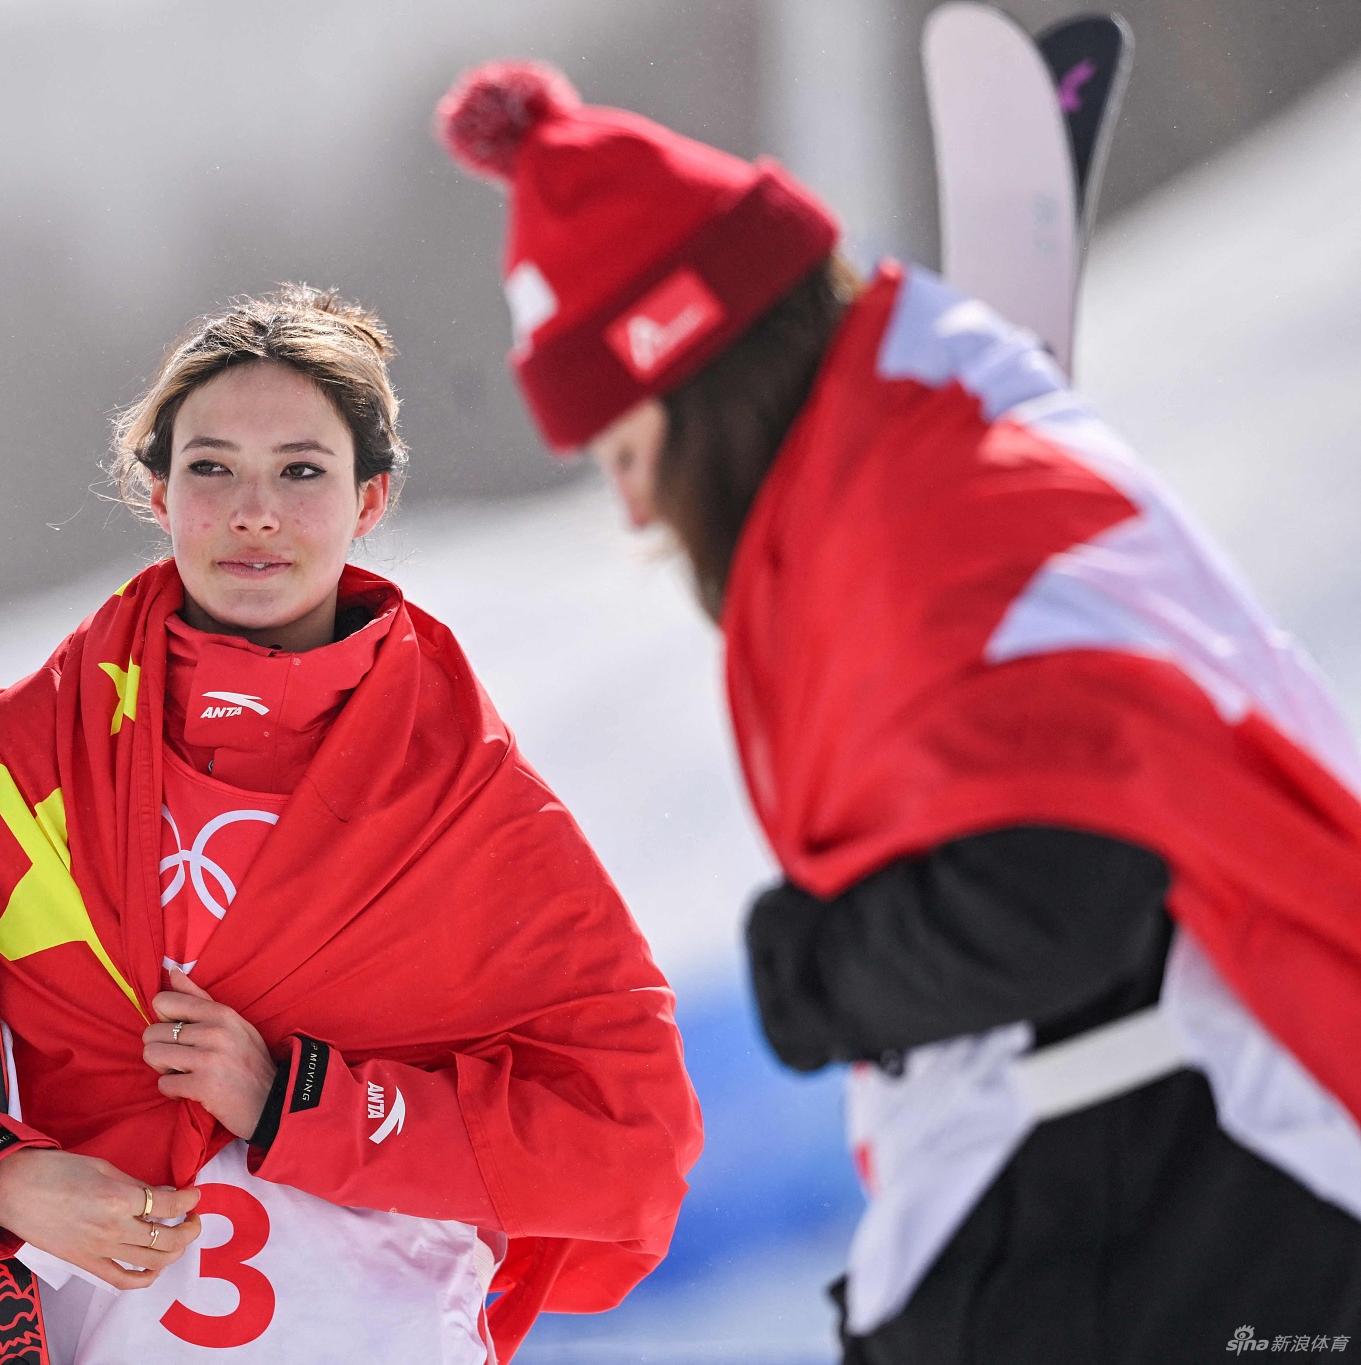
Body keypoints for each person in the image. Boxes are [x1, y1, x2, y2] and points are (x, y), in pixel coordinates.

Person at [434, 59, 1361, 1363]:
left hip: (1202, 1199)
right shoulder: (925, 454)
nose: (637, 515)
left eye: (633, 457)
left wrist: (809, 968)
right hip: (1189, 1193)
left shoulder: (922, 525)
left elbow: (1057, 899)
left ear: (700, 385)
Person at [0, 284, 703, 1363]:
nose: (253, 511)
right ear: (157, 491)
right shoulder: (10, 766)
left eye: (302, 472)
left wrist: (296, 1103)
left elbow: (631, 1147)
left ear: (370, 501)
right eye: (210, 467)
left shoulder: (471, 811)